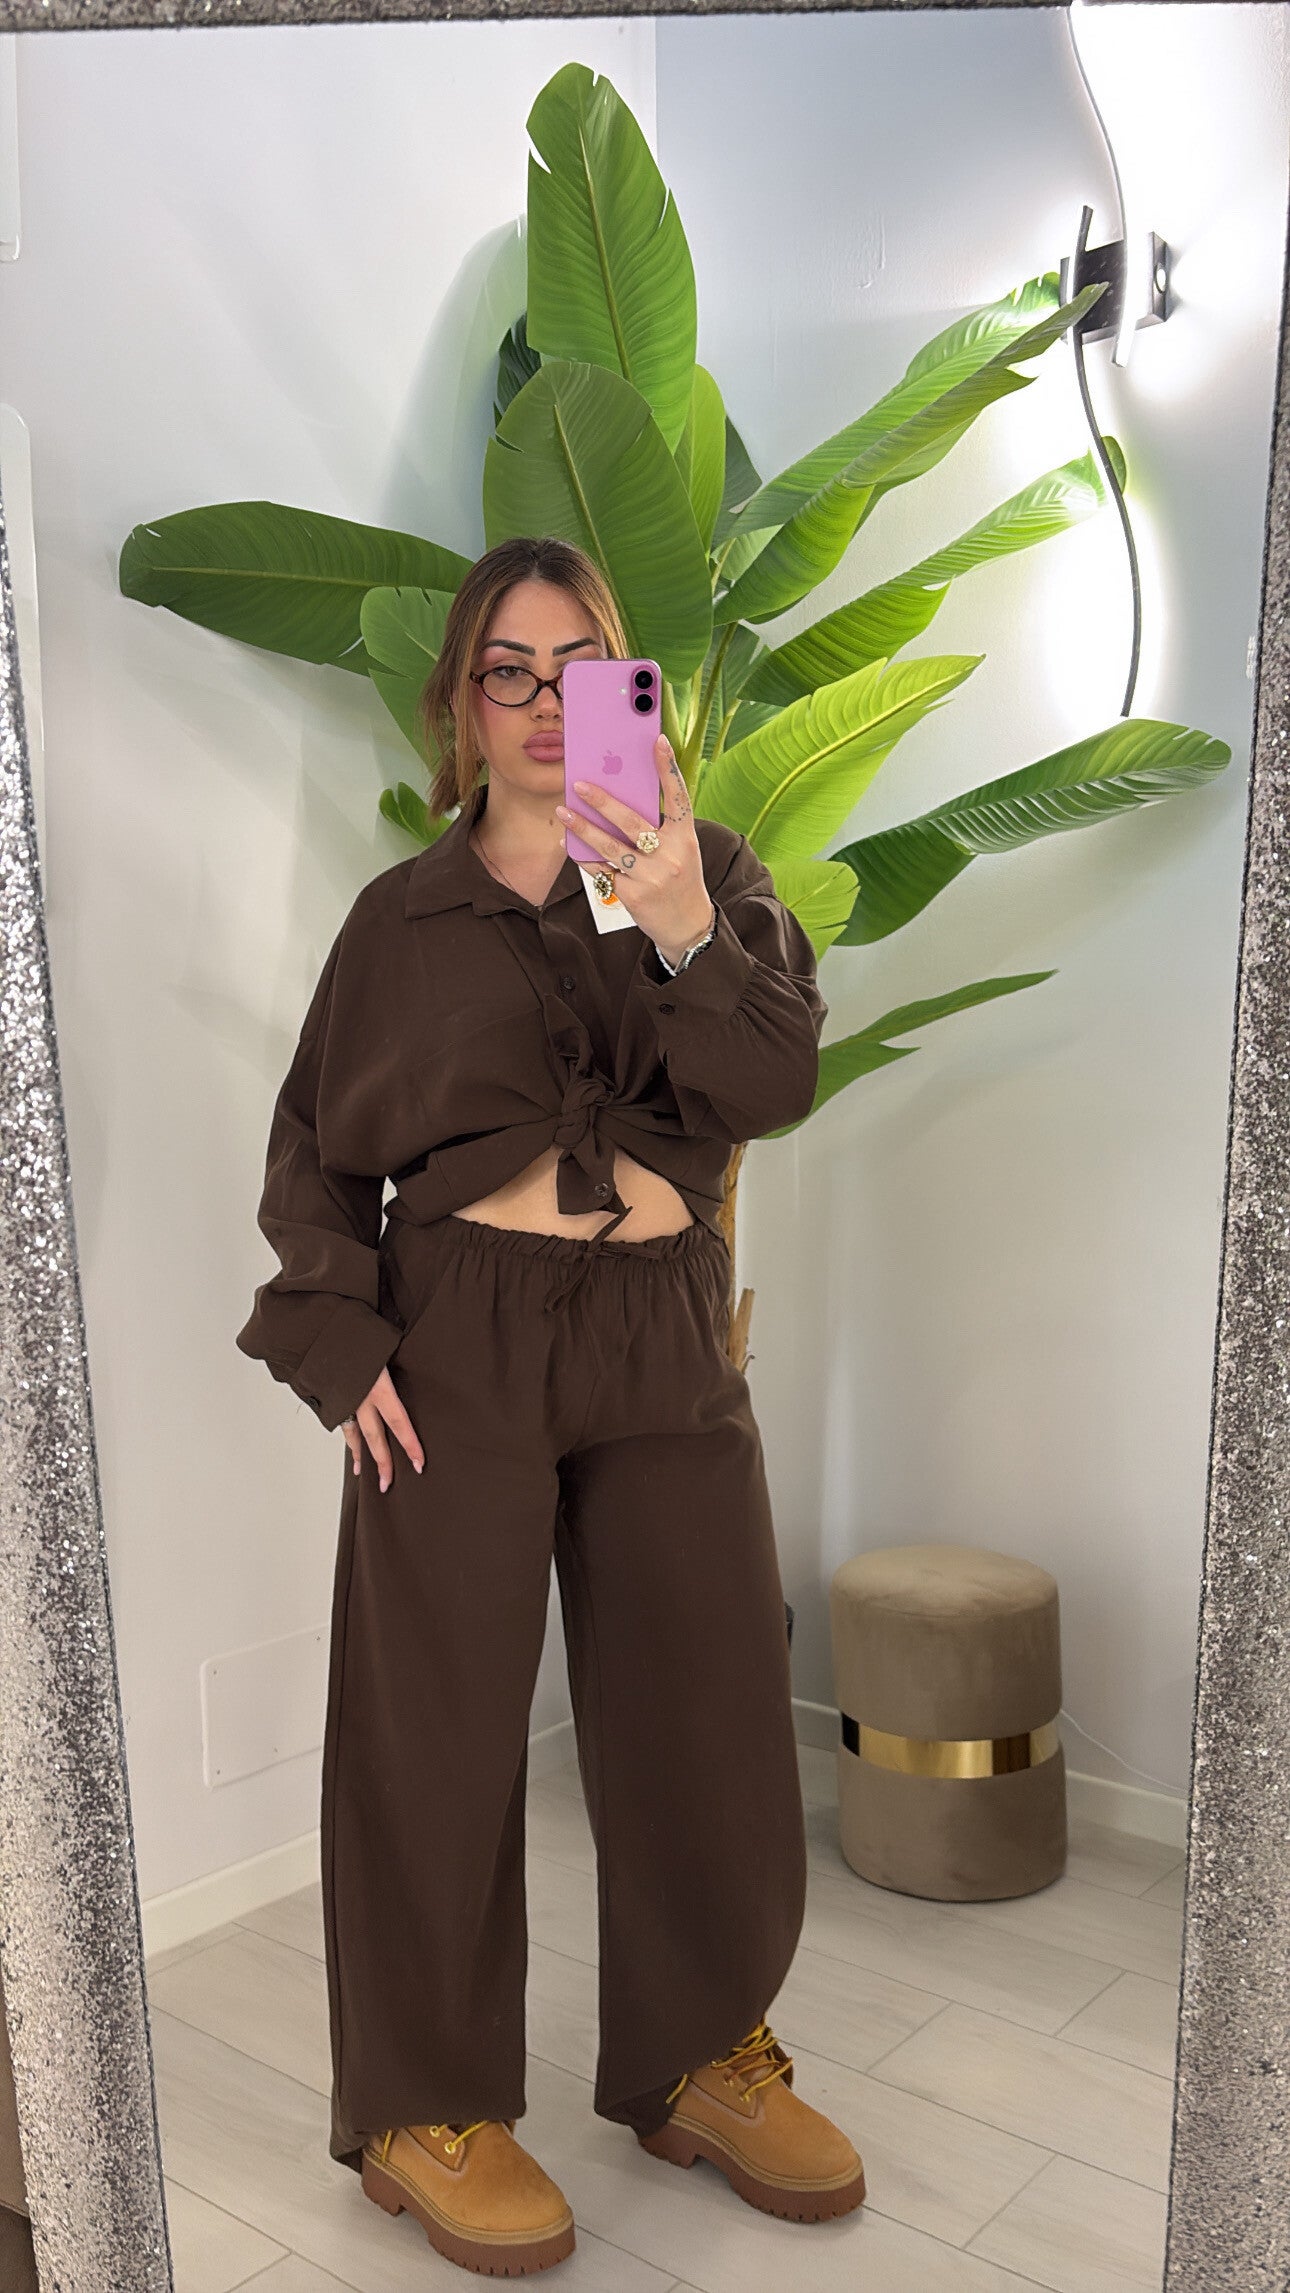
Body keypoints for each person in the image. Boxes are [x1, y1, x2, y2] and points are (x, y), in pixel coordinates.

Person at [236, 534, 866, 2276]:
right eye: (503, 670)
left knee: (705, 1697)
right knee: (431, 1724)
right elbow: (314, 1152)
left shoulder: (709, 872)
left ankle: (699, 2055)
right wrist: (343, 1345)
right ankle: (425, 2103)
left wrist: (676, 921)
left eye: (576, 665)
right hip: (461, 1342)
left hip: (662, 1331)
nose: (537, 699)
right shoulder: (399, 921)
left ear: (626, 686)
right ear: (461, 700)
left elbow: (774, 1078)